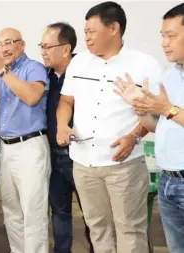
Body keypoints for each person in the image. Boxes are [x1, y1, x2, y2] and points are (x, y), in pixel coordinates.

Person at [56, 2, 162, 253]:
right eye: (85, 32)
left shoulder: (144, 64)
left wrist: (134, 136)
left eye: (91, 31)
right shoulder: (79, 62)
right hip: (83, 164)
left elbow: (156, 113)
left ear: (113, 28)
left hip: (123, 164)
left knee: (130, 230)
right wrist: (62, 124)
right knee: (98, 229)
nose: (86, 38)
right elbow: (65, 101)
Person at [114, 3, 184, 252]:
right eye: (162, 36)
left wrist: (167, 109)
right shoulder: (170, 75)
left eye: (171, 35)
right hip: (168, 180)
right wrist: (139, 108)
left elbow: (169, 112)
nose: (164, 43)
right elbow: (158, 125)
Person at [0, 27, 51, 253]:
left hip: (30, 145)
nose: (4, 48)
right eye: (0, 44)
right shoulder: (0, 72)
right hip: (7, 147)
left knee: (33, 211)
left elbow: (31, 97)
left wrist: (0, 70)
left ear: (22, 45)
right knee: (11, 210)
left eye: (9, 42)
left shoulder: (34, 68)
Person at [41, 22, 94, 253]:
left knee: (92, 214)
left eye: (47, 46)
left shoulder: (86, 73)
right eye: (40, 46)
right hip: (53, 155)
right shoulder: (44, 77)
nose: (42, 51)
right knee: (59, 213)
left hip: (82, 155)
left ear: (65, 48)